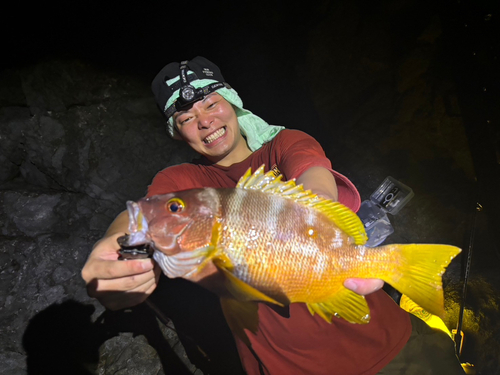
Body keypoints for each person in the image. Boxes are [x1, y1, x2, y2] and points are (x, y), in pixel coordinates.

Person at [82, 56, 465, 374]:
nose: (204, 121)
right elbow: (145, 215)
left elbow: (312, 172)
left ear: (232, 102)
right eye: (185, 118)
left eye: (211, 103)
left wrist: (314, 216)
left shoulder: (284, 144)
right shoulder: (186, 181)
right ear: (177, 132)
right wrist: (112, 253)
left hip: (392, 348)